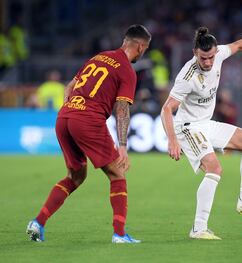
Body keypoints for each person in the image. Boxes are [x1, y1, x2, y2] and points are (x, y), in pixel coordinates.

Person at [161, 26, 242, 240]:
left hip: (205, 123)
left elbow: (239, 45)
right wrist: (172, 141)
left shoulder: (219, 53)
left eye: (211, 57)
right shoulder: (187, 75)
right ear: (195, 53)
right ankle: (198, 228)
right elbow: (166, 108)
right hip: (188, 127)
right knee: (215, 168)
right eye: (204, 58)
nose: (209, 62)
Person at [26, 24, 151, 244]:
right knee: (117, 174)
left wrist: (71, 111)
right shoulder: (126, 70)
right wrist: (123, 145)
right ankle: (119, 235)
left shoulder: (99, 57)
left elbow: (69, 86)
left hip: (64, 117)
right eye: (145, 49)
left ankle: (38, 222)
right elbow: (122, 108)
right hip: (88, 120)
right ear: (140, 47)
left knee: (76, 176)